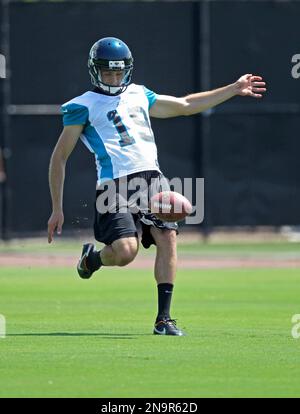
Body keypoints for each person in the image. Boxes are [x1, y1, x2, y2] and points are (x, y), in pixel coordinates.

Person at [47, 37, 266, 336]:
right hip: (115, 185)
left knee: (167, 238)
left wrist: (233, 88)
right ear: (94, 71)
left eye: (118, 71)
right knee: (125, 252)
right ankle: (93, 259)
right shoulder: (81, 106)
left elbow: (186, 105)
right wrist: (56, 208)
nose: (113, 77)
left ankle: (164, 319)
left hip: (153, 180)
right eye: (107, 72)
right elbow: (59, 158)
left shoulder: (139, 94)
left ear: (128, 70)